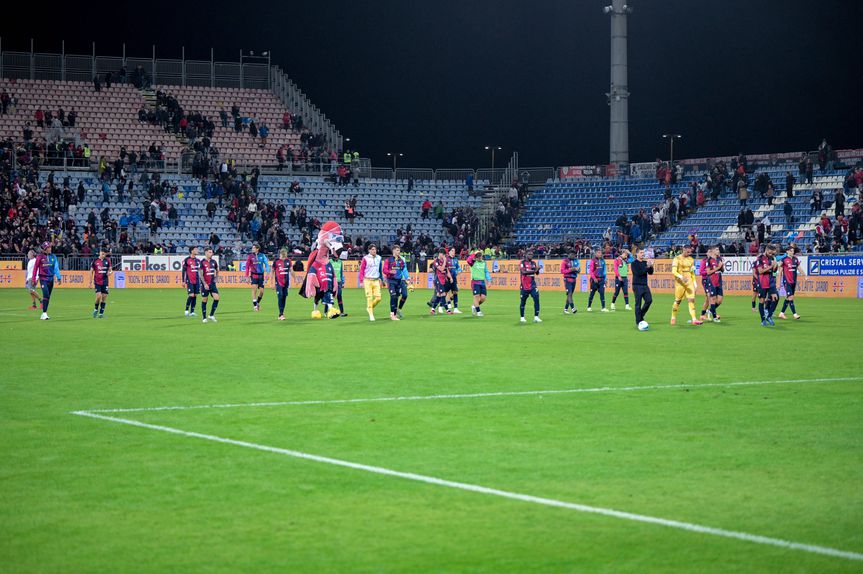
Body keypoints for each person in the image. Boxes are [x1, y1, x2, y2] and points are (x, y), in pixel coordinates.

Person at [670, 245, 703, 325]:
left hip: (689, 282)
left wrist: (695, 284)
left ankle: (694, 319)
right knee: (678, 301)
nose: (689, 253)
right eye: (687, 252)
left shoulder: (691, 259)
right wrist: (681, 277)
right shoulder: (677, 259)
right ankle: (673, 317)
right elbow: (673, 271)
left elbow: (692, 273)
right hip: (680, 283)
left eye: (690, 252)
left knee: (691, 300)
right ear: (683, 250)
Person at [31, 242, 62, 320]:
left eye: (50, 247)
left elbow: (56, 268)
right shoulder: (39, 257)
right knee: (46, 295)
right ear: (44, 249)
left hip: (51, 279)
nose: (50, 249)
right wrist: (33, 279)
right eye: (48, 248)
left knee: (48, 297)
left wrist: (59, 277)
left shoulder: (53, 256)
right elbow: (35, 268)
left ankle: (44, 313)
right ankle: (44, 313)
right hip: (43, 279)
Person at [383, 244, 411, 320]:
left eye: (399, 250)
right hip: (391, 280)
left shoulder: (401, 260)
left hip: (399, 281)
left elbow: (404, 270)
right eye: (397, 250)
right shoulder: (388, 260)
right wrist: (390, 272)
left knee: (400, 296)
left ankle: (396, 311)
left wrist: (407, 277)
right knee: (393, 296)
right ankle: (392, 314)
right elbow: (384, 270)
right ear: (393, 251)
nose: (399, 252)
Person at [755, 243, 780, 326]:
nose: (771, 254)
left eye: (772, 253)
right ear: (766, 249)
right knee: (762, 301)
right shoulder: (760, 258)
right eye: (770, 252)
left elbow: (774, 271)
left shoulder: (772, 258)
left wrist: (776, 266)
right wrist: (770, 267)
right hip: (762, 282)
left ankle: (769, 316)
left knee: (776, 298)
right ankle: (763, 320)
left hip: (771, 281)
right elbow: (760, 271)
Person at [630, 248, 654, 329]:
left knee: (649, 300)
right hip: (637, 285)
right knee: (638, 304)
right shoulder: (634, 264)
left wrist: (651, 266)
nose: (643, 254)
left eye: (643, 252)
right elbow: (639, 273)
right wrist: (647, 267)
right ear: (637, 254)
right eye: (641, 252)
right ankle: (638, 321)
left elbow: (650, 273)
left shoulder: (645, 263)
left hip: (644, 285)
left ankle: (641, 315)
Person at [359, 244, 383, 321]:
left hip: (376, 280)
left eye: (375, 249)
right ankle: (371, 314)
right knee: (369, 298)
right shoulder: (365, 258)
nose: (374, 251)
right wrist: (361, 281)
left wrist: (381, 279)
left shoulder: (379, 258)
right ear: (369, 250)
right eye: (372, 249)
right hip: (367, 280)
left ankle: (369, 308)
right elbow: (362, 270)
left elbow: (380, 270)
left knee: (379, 298)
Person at [700, 246, 724, 323]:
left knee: (719, 300)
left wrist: (722, 266)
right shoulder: (708, 260)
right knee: (710, 298)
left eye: (718, 249)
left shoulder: (719, 259)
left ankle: (710, 310)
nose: (718, 251)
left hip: (719, 282)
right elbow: (708, 272)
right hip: (711, 281)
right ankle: (711, 316)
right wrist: (718, 267)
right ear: (712, 251)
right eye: (717, 249)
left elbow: (722, 270)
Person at [245, 242, 271, 311]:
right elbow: (247, 267)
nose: (252, 249)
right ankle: (255, 306)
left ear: (257, 249)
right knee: (254, 289)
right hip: (254, 275)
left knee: (262, 292)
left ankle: (257, 303)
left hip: (261, 276)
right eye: (252, 248)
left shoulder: (262, 256)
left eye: (253, 248)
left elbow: (267, 265)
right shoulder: (250, 256)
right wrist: (247, 276)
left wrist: (268, 273)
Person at [778, 244, 801, 320]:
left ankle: (781, 313)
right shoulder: (784, 259)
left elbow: (799, 268)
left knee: (788, 298)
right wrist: (778, 282)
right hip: (787, 281)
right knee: (791, 297)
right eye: (791, 251)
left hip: (793, 281)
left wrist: (805, 275)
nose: (792, 252)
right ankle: (795, 314)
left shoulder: (795, 259)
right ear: (787, 251)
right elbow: (780, 271)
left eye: (793, 251)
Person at [518, 251, 542, 323]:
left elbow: (536, 273)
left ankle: (536, 317)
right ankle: (522, 317)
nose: (531, 256)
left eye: (532, 254)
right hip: (524, 286)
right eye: (529, 254)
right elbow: (523, 272)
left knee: (536, 299)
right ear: (526, 255)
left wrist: (538, 269)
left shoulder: (533, 263)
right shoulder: (522, 263)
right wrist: (534, 271)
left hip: (532, 285)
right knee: (523, 301)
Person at [467, 249, 491, 316]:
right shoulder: (473, 263)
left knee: (483, 298)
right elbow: (468, 260)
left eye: (481, 257)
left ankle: (474, 306)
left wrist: (489, 280)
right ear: (476, 257)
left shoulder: (484, 263)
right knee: (476, 296)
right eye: (479, 257)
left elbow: (486, 272)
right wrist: (474, 253)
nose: (480, 258)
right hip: (475, 281)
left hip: (482, 282)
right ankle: (478, 311)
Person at [272, 248, 294, 321]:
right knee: (280, 296)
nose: (285, 255)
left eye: (285, 254)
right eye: (283, 254)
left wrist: (296, 278)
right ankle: (280, 314)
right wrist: (272, 282)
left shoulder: (288, 261)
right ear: (280, 254)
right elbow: (272, 272)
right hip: (278, 282)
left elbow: (291, 270)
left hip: (286, 283)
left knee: (284, 297)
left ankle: (282, 313)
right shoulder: (276, 261)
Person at [199, 248, 220, 323]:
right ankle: (204, 317)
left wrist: (216, 278)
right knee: (205, 299)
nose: (211, 253)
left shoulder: (214, 262)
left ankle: (211, 315)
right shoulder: (202, 262)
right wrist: (204, 284)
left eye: (212, 252)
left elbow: (217, 270)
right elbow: (201, 275)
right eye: (210, 252)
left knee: (217, 298)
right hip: (205, 284)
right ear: (206, 253)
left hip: (212, 284)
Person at [90, 248, 112, 318]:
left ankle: (101, 314)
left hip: (105, 281)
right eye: (102, 254)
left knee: (104, 298)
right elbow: (91, 271)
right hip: (97, 281)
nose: (103, 255)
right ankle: (96, 309)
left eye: (104, 254)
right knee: (98, 296)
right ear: (99, 253)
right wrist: (90, 282)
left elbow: (111, 270)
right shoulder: (95, 261)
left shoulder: (107, 261)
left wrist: (110, 272)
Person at [428, 250, 451, 315]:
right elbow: (441, 269)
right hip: (438, 279)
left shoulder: (443, 261)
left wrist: (450, 277)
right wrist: (445, 261)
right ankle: (447, 310)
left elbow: (446, 270)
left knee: (439, 295)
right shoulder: (436, 261)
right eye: (443, 255)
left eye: (444, 255)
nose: (444, 256)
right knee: (443, 294)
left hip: (443, 279)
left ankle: (432, 309)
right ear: (440, 254)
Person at [182, 247, 201, 317]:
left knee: (195, 295)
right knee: (191, 295)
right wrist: (183, 281)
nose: (197, 251)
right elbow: (183, 271)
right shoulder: (187, 260)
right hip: (190, 280)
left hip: (197, 280)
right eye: (196, 250)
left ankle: (192, 311)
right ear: (192, 251)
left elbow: (200, 271)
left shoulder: (198, 260)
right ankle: (186, 310)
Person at [445, 247, 462, 313]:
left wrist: (460, 270)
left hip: (454, 278)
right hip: (447, 278)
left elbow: (458, 267)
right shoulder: (446, 259)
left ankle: (455, 308)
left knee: (455, 292)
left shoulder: (455, 259)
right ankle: (442, 305)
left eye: (454, 251)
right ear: (449, 252)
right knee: (445, 293)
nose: (453, 252)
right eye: (452, 251)